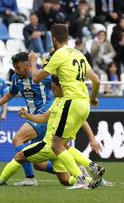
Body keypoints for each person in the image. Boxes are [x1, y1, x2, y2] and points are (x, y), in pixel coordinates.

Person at [0, 75, 104, 189]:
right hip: (61, 149)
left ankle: (0, 180)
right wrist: (27, 115)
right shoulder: (58, 101)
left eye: (54, 87)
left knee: (19, 156)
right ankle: (92, 180)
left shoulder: (68, 105)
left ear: (62, 86)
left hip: (49, 146)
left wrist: (92, 138)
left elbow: (83, 120)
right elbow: (43, 118)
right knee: (65, 180)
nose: (51, 89)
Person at [28, 23, 104, 189]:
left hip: (70, 101)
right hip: (84, 104)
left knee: (56, 145)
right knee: (63, 144)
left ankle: (80, 178)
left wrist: (33, 62)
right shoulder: (79, 54)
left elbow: (36, 78)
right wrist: (93, 98)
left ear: (53, 38)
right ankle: (94, 168)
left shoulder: (59, 54)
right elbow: (97, 80)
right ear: (67, 37)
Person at [0, 52, 54, 186]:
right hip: (33, 117)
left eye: (18, 68)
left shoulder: (41, 76)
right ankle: (75, 173)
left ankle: (30, 178)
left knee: (17, 139)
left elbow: (61, 83)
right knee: (38, 163)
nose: (16, 71)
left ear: (27, 66)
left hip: (44, 115)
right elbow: (10, 94)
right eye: (14, 68)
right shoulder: (16, 78)